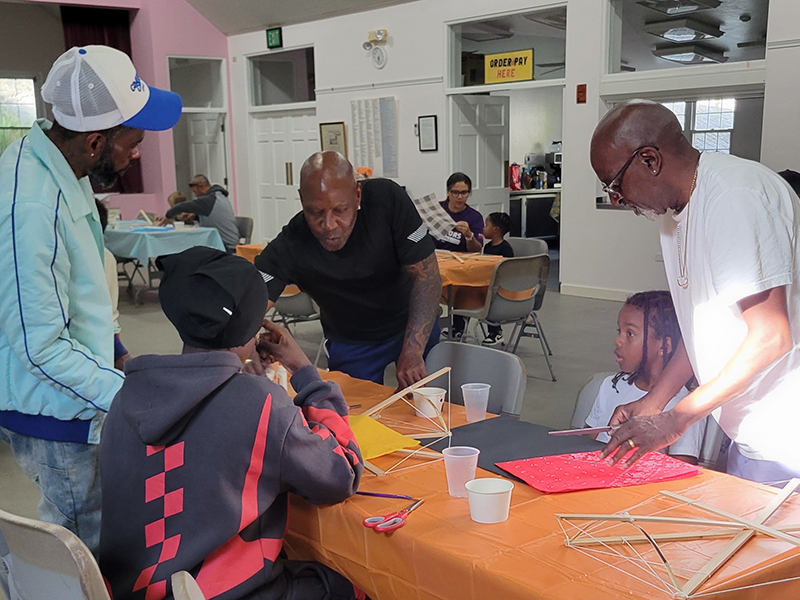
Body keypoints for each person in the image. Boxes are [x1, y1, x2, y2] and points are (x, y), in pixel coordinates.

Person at [99, 247, 365, 600]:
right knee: (351, 584)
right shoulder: (259, 403)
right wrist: (306, 374)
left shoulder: (125, 397)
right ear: (251, 331)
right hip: (219, 593)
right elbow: (341, 474)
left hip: (129, 590)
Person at [0, 45, 181, 554]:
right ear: (96, 139)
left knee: (105, 531)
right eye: (134, 142)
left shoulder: (65, 168)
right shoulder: (31, 203)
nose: (137, 154)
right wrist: (131, 397)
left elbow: (78, 294)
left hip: (77, 394)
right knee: (83, 550)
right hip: (54, 413)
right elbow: (41, 349)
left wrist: (121, 352)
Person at [590, 99, 800, 483]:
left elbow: (772, 337)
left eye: (615, 184)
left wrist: (675, 420)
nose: (616, 198)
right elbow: (701, 327)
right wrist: (656, 402)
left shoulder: (736, 198)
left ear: (650, 160)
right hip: (749, 434)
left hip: (786, 438)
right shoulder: (673, 214)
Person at [254, 151, 441, 388]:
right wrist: (250, 343)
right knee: (353, 417)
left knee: (428, 413)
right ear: (302, 201)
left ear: (358, 195)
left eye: (340, 210)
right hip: (352, 340)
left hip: (411, 322)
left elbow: (428, 278)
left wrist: (413, 350)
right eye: (316, 213)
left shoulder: (387, 200)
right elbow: (252, 299)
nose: (329, 225)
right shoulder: (293, 243)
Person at [585, 291, 705, 464]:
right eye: (619, 331)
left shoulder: (685, 407)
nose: (617, 341)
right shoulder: (610, 387)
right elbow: (586, 448)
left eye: (630, 333)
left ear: (664, 345)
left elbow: (682, 470)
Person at [159, 175, 239, 252]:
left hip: (226, 246)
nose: (195, 195)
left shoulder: (209, 200)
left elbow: (183, 206)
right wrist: (195, 217)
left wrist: (168, 215)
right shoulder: (219, 197)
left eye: (195, 191)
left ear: (201, 186)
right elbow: (214, 217)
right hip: (229, 242)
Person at [95, 200, 131, 371]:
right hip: (110, 332)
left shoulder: (95, 258)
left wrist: (117, 350)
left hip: (103, 335)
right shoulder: (106, 255)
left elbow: (99, 312)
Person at [480, 212, 515, 346]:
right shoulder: (487, 247)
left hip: (500, 286)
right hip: (488, 283)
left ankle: (495, 332)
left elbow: (508, 270)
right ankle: (458, 328)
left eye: (486, 225)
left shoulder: (505, 248)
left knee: (491, 299)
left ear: (495, 229)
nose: (484, 228)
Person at [434, 172, 484, 253]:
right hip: (435, 257)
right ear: (448, 192)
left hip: (461, 261)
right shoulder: (437, 209)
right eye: (455, 193)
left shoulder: (475, 217)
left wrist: (469, 236)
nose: (460, 197)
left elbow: (477, 250)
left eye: (464, 193)